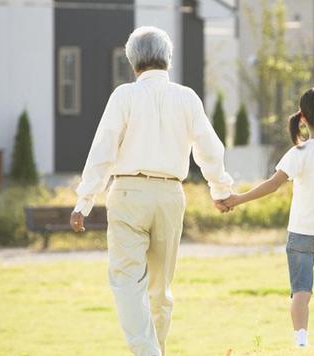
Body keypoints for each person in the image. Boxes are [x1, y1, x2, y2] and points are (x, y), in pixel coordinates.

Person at [69, 26, 233, 355]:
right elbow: (210, 150)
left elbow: (103, 151)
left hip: (128, 193)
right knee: (160, 288)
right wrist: (219, 189)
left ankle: (149, 352)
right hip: (171, 194)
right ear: (168, 59)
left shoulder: (124, 96)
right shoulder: (187, 98)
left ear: (133, 63)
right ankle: (155, 349)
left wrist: (84, 200)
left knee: (127, 281)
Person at [222, 87, 314, 347]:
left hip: (301, 234)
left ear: (303, 118)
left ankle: (301, 341)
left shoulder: (299, 153)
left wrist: (237, 199)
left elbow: (272, 185)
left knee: (301, 291)